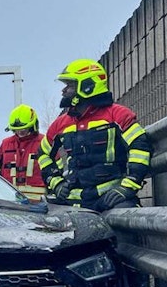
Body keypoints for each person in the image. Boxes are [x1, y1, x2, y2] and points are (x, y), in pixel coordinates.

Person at [37, 59, 153, 211]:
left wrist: (128, 187)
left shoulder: (118, 115)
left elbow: (140, 148)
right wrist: (56, 183)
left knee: (130, 221)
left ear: (87, 86)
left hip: (110, 198)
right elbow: (43, 154)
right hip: (74, 202)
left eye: (70, 85)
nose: (64, 91)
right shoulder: (60, 124)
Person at [0, 104, 47, 201]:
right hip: (10, 202)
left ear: (32, 126)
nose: (19, 132)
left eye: (23, 129)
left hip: (38, 203)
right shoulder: (5, 144)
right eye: (16, 130)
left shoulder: (44, 142)